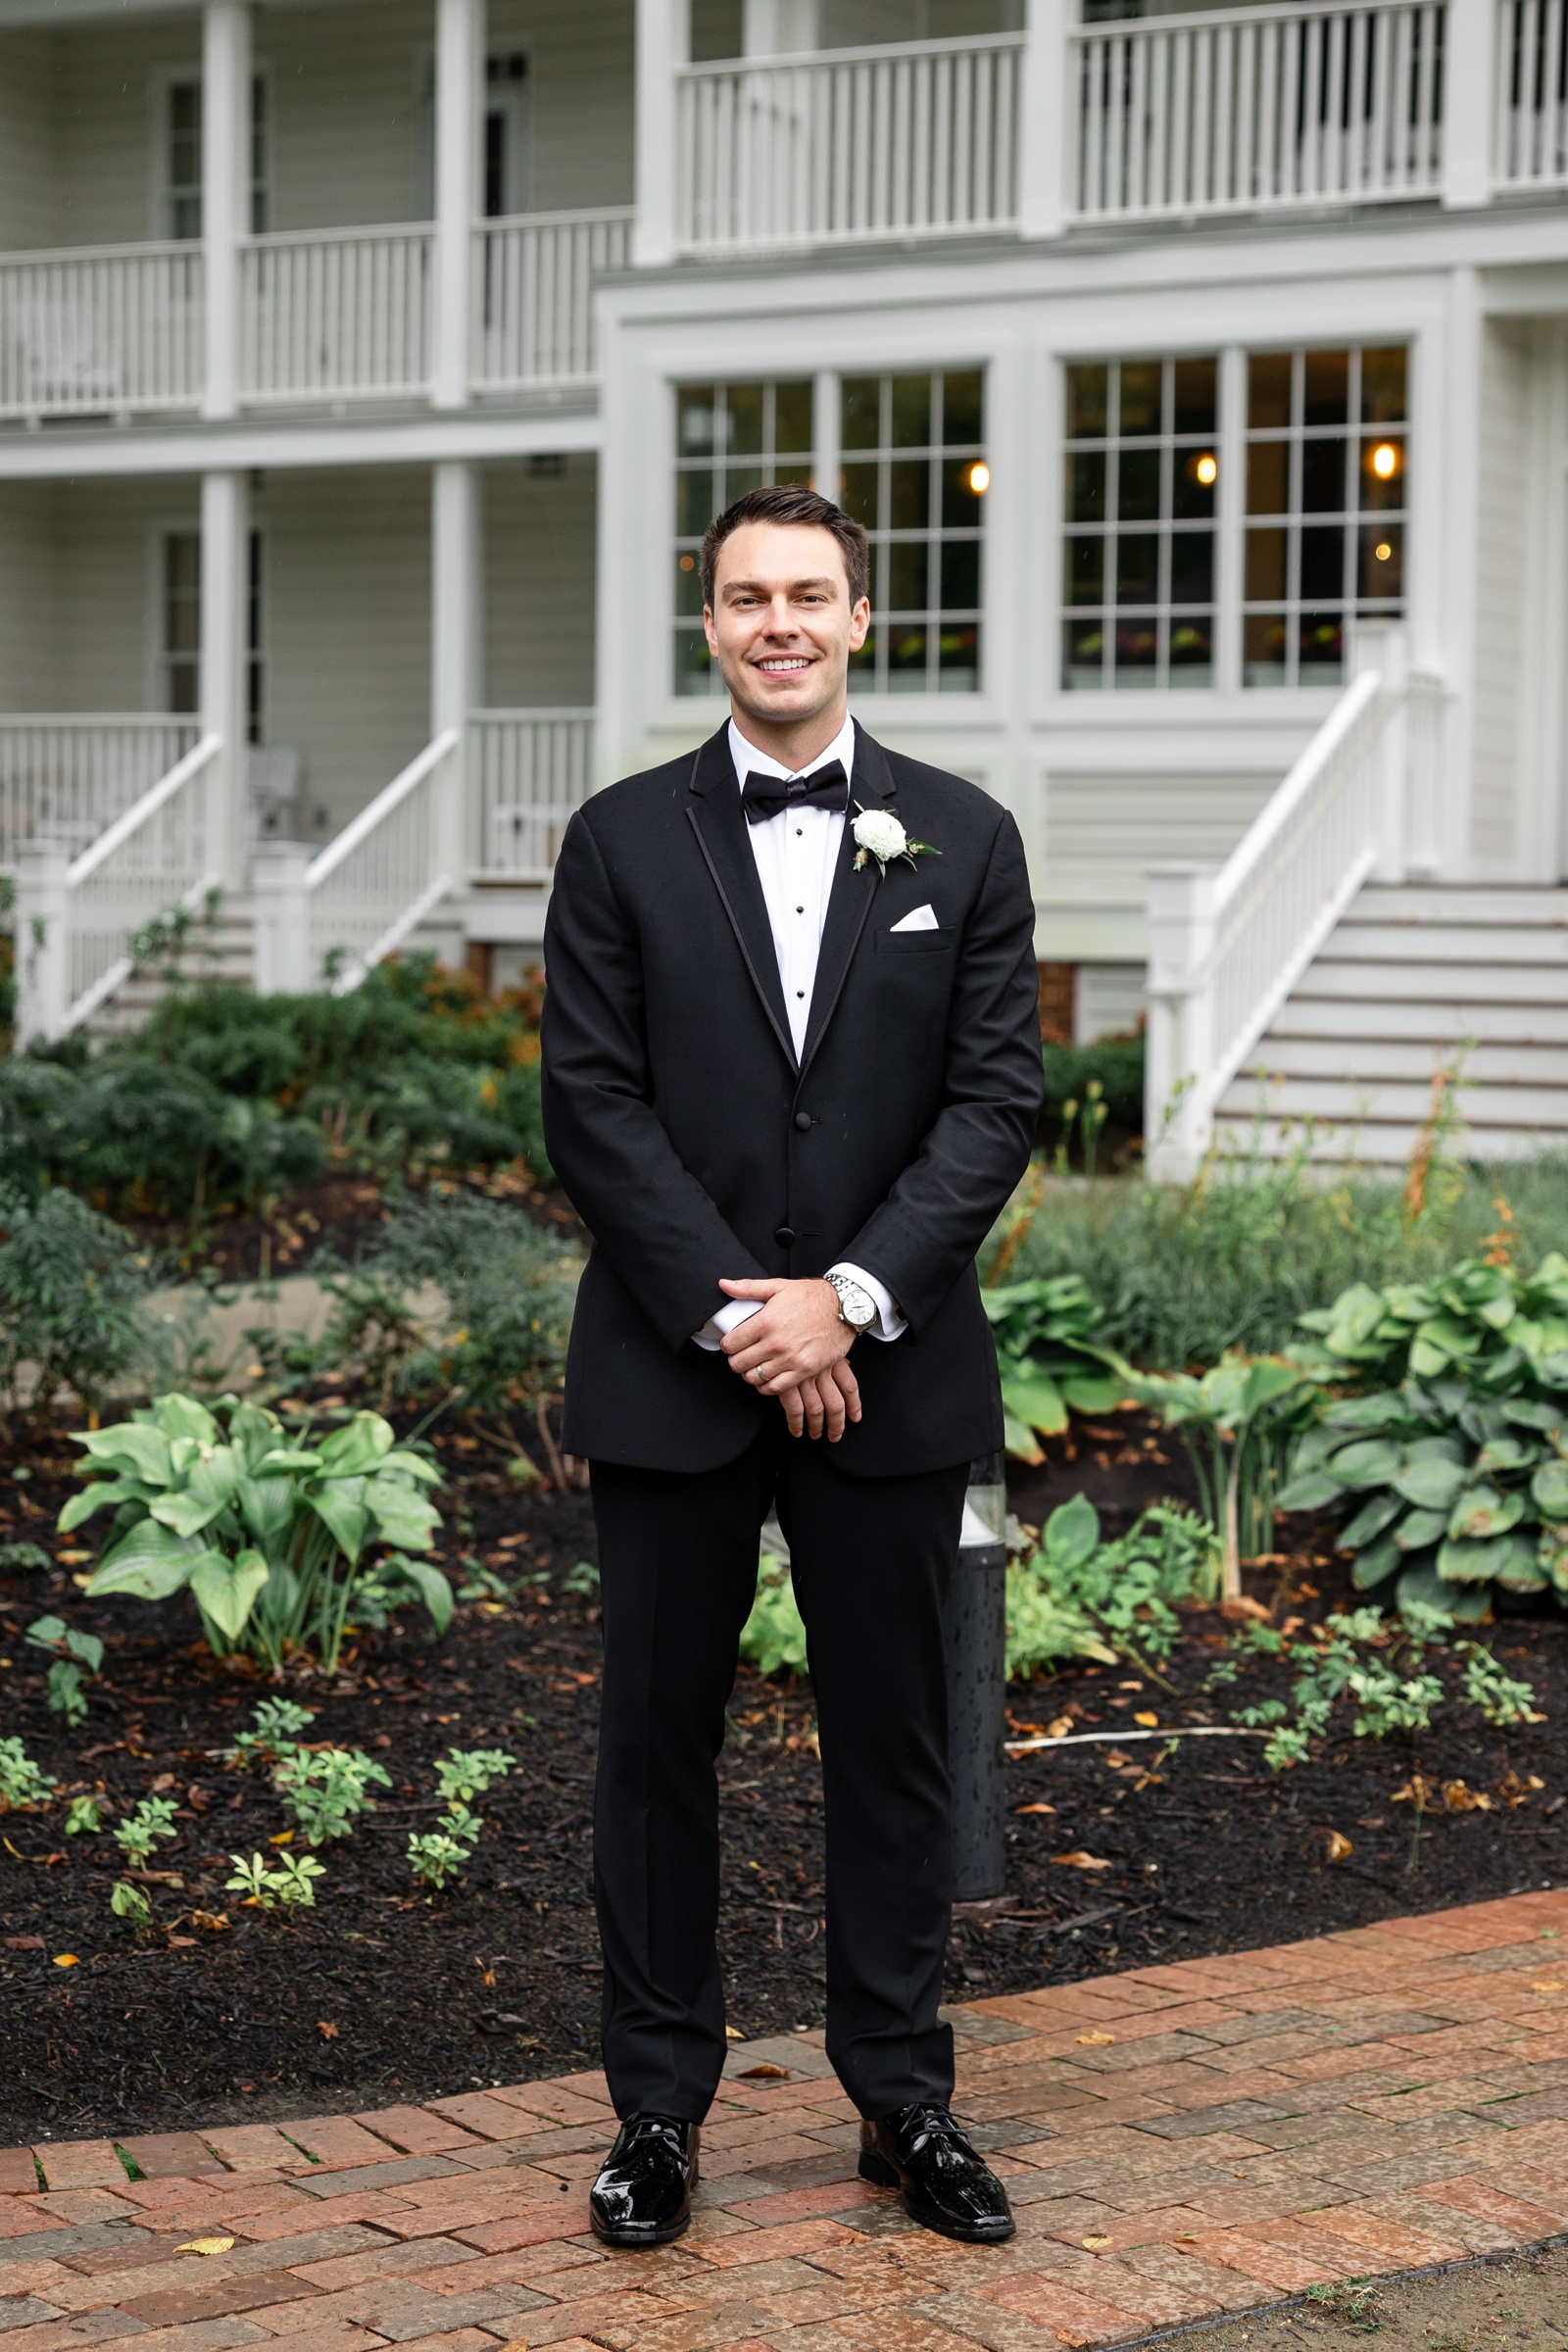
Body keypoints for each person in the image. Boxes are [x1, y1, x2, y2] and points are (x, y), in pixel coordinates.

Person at [540, 482, 1044, 2251]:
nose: (779, 623)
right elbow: (589, 1108)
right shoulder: (616, 840)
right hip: (680, 1372)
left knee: (894, 1747)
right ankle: (656, 2116)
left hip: (889, 1370)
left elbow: (996, 1107)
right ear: (709, 625)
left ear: (859, 618)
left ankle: (904, 2100)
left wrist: (851, 1299)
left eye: (809, 595)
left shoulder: (965, 841)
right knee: (655, 1746)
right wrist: (750, 1319)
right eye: (747, 595)